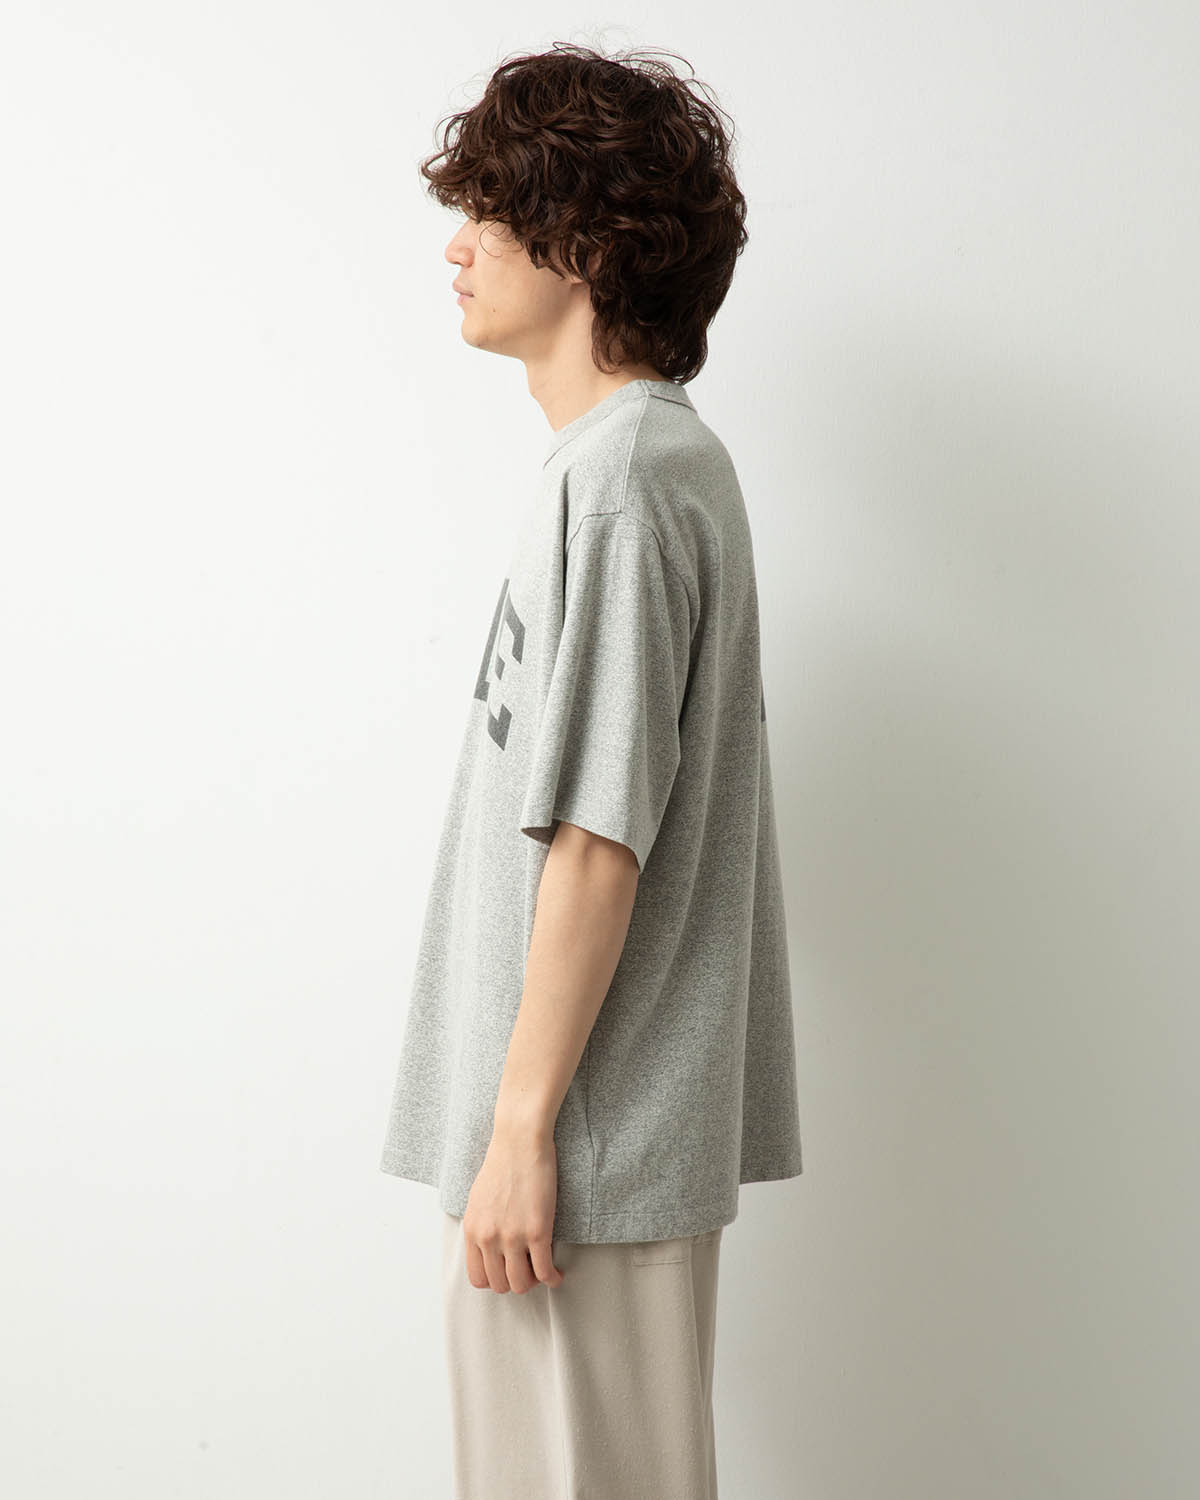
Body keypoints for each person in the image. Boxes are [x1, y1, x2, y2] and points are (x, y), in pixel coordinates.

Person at [378, 41, 803, 1500]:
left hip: (580, 1151)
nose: (458, 244)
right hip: (579, 1140)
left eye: (491, 211)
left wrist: (521, 1131)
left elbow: (598, 841)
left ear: (589, 245)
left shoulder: (625, 482)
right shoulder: (618, 470)